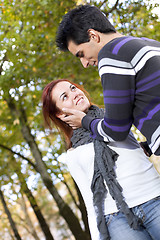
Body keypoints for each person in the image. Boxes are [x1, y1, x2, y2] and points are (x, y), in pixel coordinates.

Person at [42, 79, 160, 240]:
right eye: (65, 96)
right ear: (60, 114)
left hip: (153, 197)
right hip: (115, 217)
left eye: (73, 88)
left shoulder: (114, 117)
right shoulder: (73, 153)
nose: (74, 94)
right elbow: (90, 201)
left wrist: (145, 147)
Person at [56, 4, 160, 156]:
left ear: (93, 36)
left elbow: (116, 131)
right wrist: (150, 145)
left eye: (81, 54)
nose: (84, 63)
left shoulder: (111, 54)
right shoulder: (150, 44)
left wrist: (85, 121)